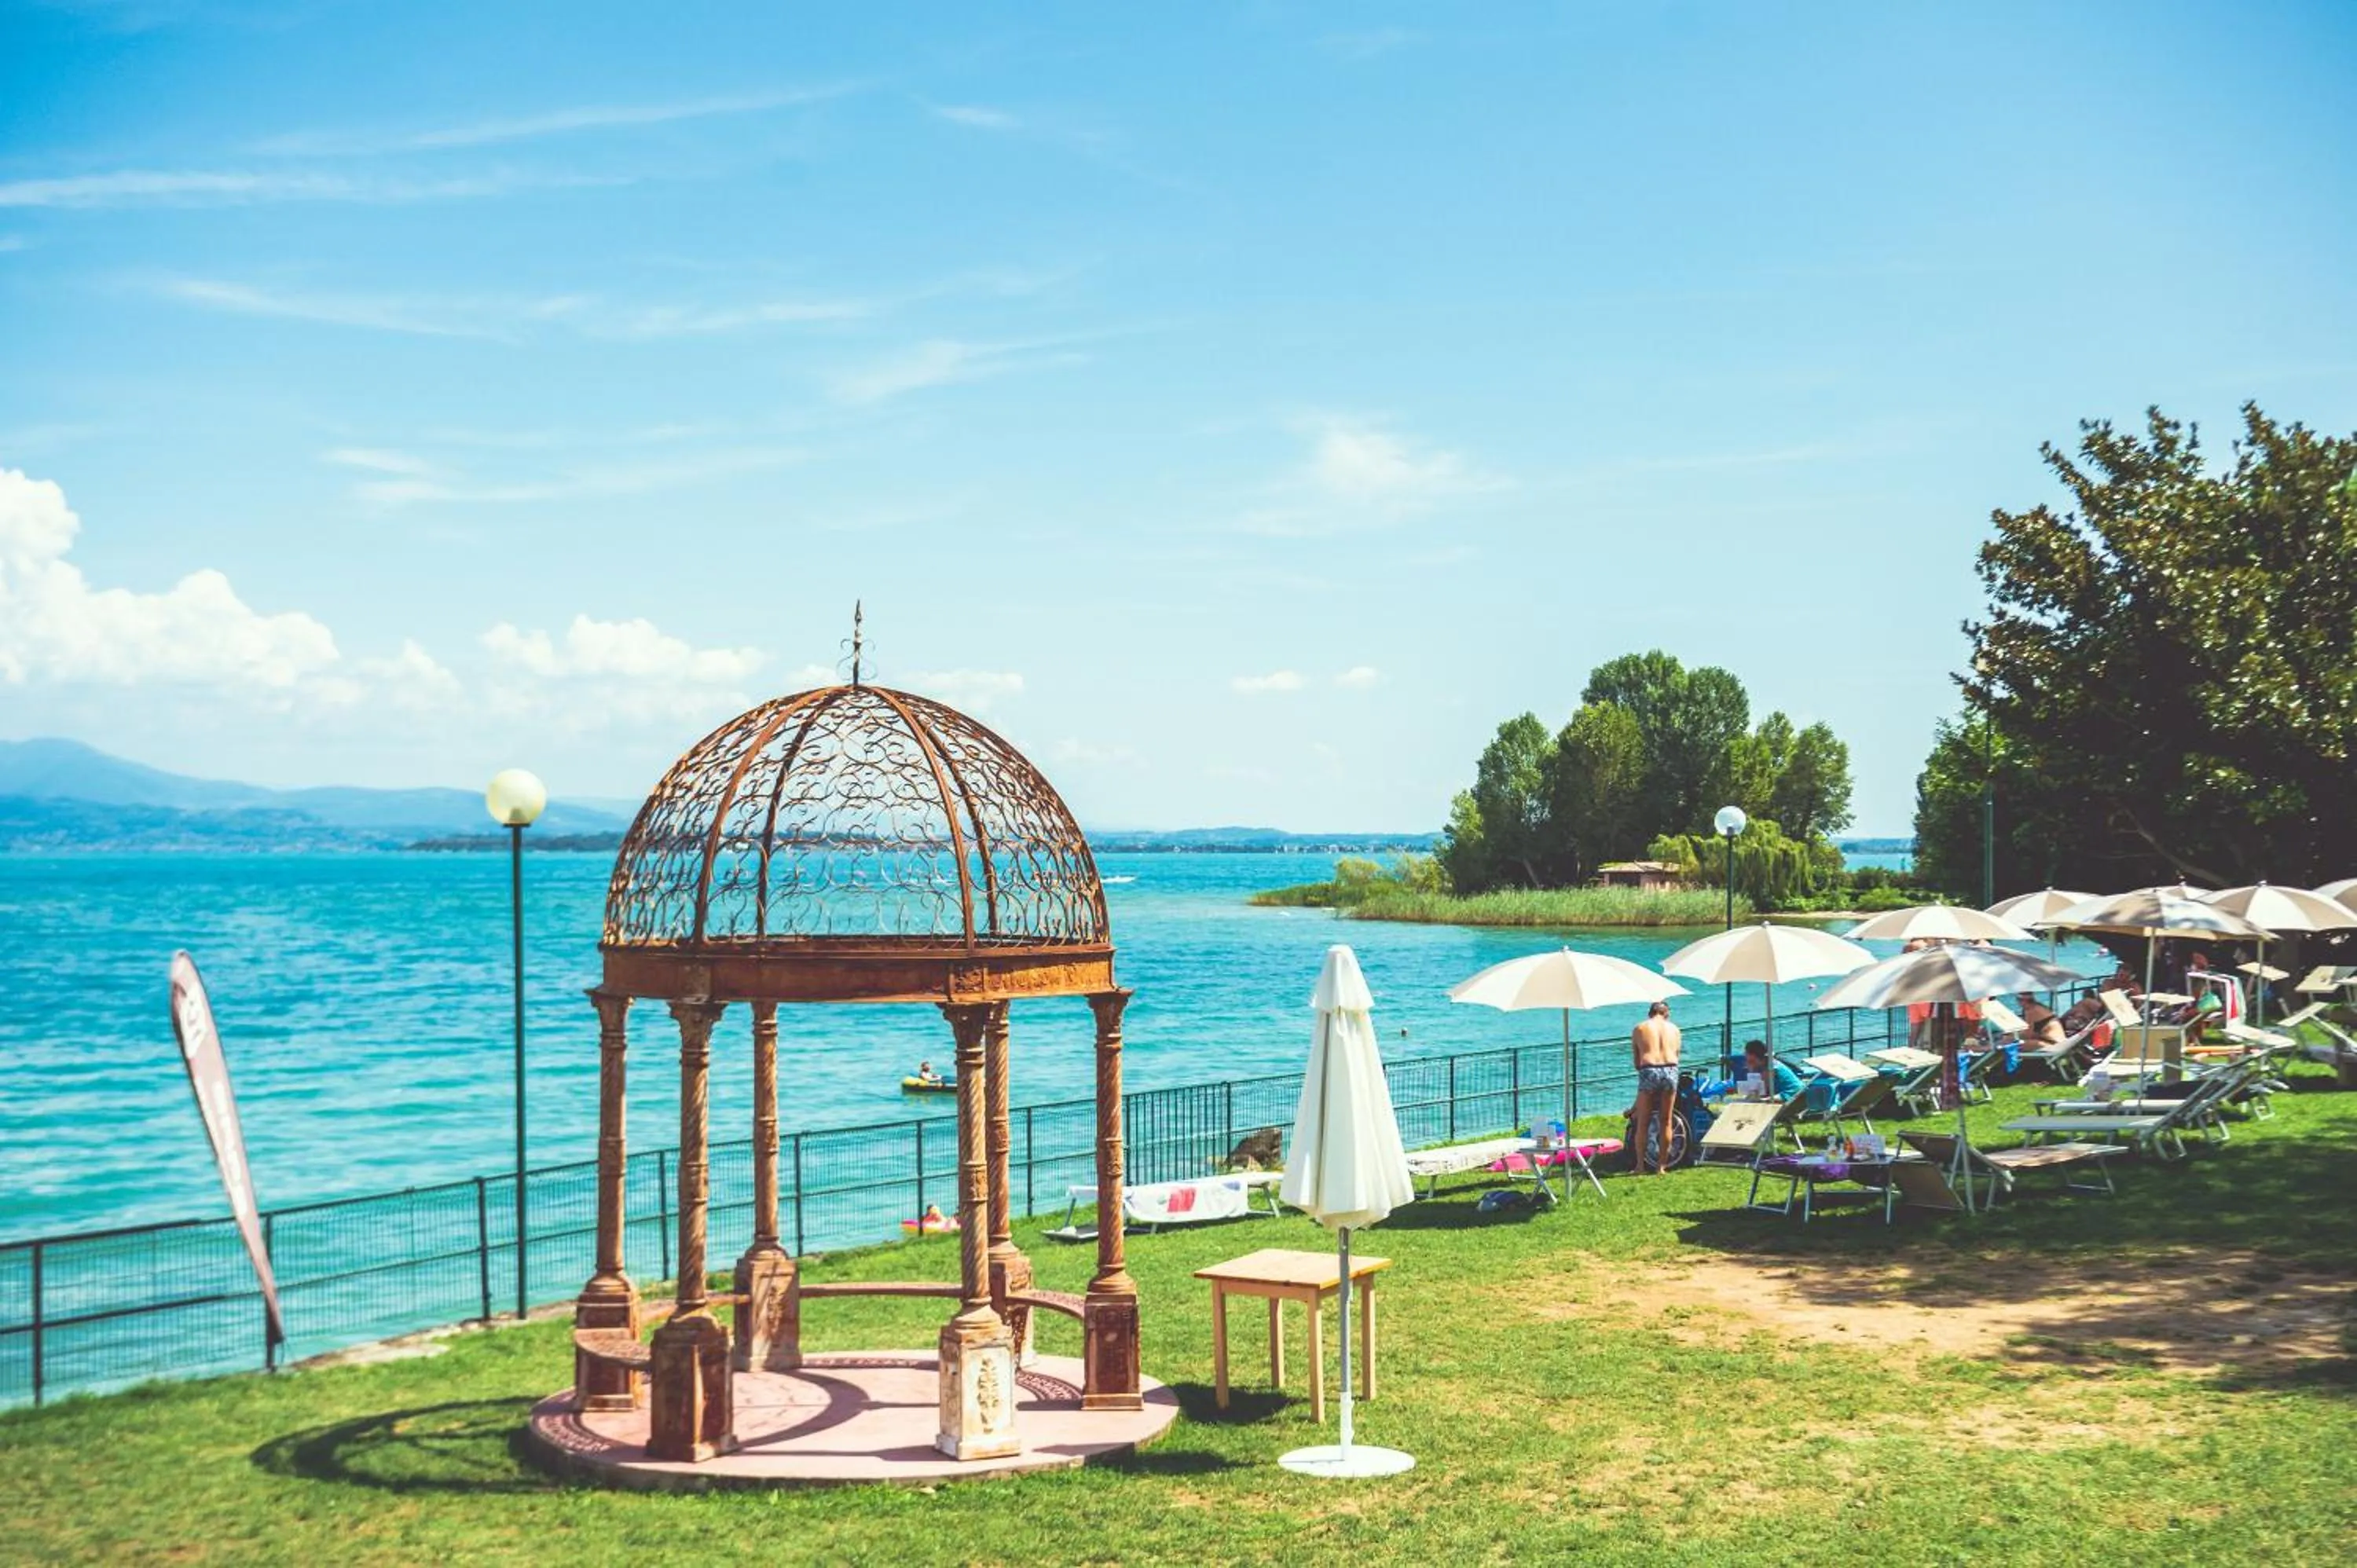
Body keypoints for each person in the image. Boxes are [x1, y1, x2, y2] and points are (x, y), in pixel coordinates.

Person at [1629, 1000, 1682, 1174]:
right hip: (1671, 1069)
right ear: (1666, 1014)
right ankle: (1661, 1167)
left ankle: (1640, 1166)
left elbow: (1637, 1062)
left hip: (1649, 1069)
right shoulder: (1675, 1029)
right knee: (1666, 1120)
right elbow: (1676, 1055)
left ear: (1650, 1013)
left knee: (1642, 1121)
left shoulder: (1640, 1028)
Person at [1701, 1039, 1802, 1101]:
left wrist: (1751, 1070)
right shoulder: (1766, 1065)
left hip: (1792, 1096)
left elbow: (1760, 1091)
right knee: (1750, 1100)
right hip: (1792, 1095)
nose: (1745, 1057)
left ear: (1753, 1055)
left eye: (1747, 1054)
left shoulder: (1771, 1068)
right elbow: (1757, 1089)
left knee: (1758, 1102)